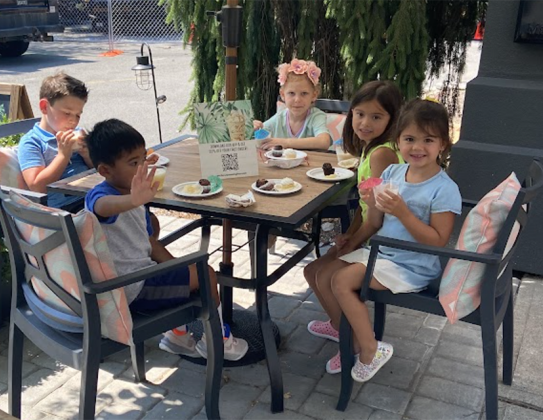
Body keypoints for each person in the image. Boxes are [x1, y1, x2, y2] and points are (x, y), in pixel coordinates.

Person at [310, 99, 462, 380]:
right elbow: (376, 222)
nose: (417, 147)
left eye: (428, 140)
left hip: (411, 265)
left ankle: (369, 347)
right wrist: (354, 235)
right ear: (398, 141)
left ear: (443, 144)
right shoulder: (393, 173)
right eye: (409, 139)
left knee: (340, 281)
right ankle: (346, 331)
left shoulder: (444, 189)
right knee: (318, 270)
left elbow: (438, 242)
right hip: (382, 254)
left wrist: (403, 213)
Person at [83, 118, 249, 361]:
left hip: (136, 280)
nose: (143, 167)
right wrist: (134, 200)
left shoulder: (130, 193)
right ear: (105, 170)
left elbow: (148, 242)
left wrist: (179, 266)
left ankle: (178, 337)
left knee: (193, 269)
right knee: (208, 274)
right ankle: (219, 342)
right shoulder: (101, 196)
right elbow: (102, 208)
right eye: (133, 162)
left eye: (144, 159)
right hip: (131, 289)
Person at [304, 80, 404, 342]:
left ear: (392, 120)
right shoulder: (373, 149)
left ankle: (354, 342)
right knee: (311, 270)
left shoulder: (382, 155)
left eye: (376, 116)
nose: (365, 123)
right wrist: (348, 234)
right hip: (371, 235)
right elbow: (365, 204)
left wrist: (351, 244)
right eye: (359, 114)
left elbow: (376, 218)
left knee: (325, 274)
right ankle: (340, 326)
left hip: (384, 244)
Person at [18, 72, 92, 211]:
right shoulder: (32, 142)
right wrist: (63, 156)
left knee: (135, 206)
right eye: (67, 113)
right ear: (45, 107)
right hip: (65, 208)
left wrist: (88, 154)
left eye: (78, 115)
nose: (73, 120)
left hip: (91, 196)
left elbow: (98, 169)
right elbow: (37, 186)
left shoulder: (79, 133)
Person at [253, 58, 332, 150]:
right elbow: (259, 137)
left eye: (304, 93)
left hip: (312, 164)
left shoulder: (316, 117)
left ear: (314, 95)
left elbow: (324, 142)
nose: (297, 100)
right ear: (283, 95)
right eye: (291, 93)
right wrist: (254, 128)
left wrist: (286, 142)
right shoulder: (279, 118)